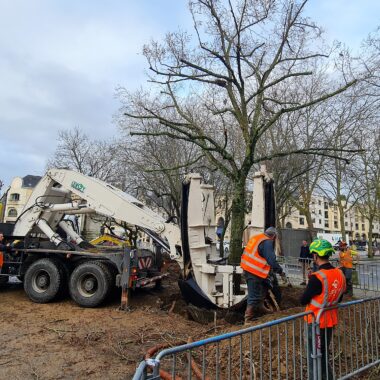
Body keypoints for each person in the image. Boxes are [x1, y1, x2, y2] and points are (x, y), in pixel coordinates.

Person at [300, 239, 346, 380]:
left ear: (315, 256)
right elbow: (339, 297)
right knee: (323, 354)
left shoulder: (317, 277)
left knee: (314, 355)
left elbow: (303, 300)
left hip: (315, 322)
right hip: (330, 320)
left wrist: (309, 283)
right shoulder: (340, 274)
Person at [241, 227, 286, 323]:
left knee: (261, 292)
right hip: (254, 272)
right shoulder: (267, 242)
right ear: (274, 236)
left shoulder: (257, 238)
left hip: (249, 269)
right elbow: (271, 261)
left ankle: (262, 308)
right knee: (253, 296)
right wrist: (280, 271)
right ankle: (248, 319)